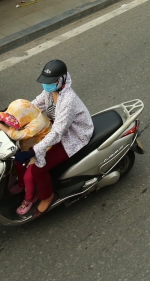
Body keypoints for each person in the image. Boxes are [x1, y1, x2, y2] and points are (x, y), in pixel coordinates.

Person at [13, 60, 94, 218]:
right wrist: (11, 116)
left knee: (38, 169)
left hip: (73, 136)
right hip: (55, 128)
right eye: (45, 82)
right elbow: (35, 106)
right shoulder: (51, 91)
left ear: (61, 79)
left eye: (49, 82)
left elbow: (58, 133)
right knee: (18, 157)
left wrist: (34, 152)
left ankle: (48, 197)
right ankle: (23, 185)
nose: (46, 85)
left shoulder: (68, 100)